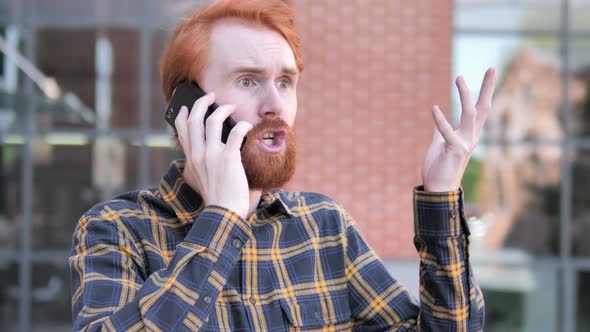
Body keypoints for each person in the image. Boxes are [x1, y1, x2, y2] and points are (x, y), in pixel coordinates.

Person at [69, 0, 496, 331]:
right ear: (188, 107)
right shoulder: (116, 229)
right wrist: (222, 219)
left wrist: (441, 197)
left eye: (285, 82)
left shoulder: (323, 227)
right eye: (248, 81)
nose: (276, 105)